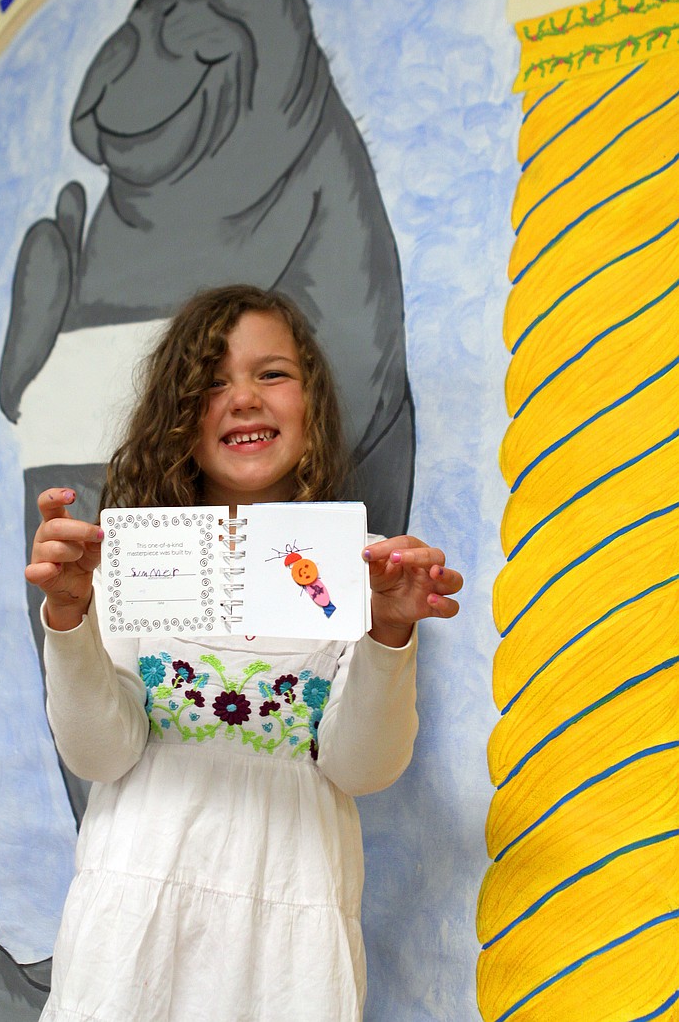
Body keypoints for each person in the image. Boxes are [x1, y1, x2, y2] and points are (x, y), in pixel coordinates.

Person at [28, 285, 462, 1022]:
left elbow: (363, 767)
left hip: (290, 942)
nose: (243, 398)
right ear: (178, 419)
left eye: (272, 373)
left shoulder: (364, 571)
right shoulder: (135, 560)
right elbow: (100, 754)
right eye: (212, 381)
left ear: (313, 405)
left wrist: (389, 631)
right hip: (133, 928)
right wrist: (70, 615)